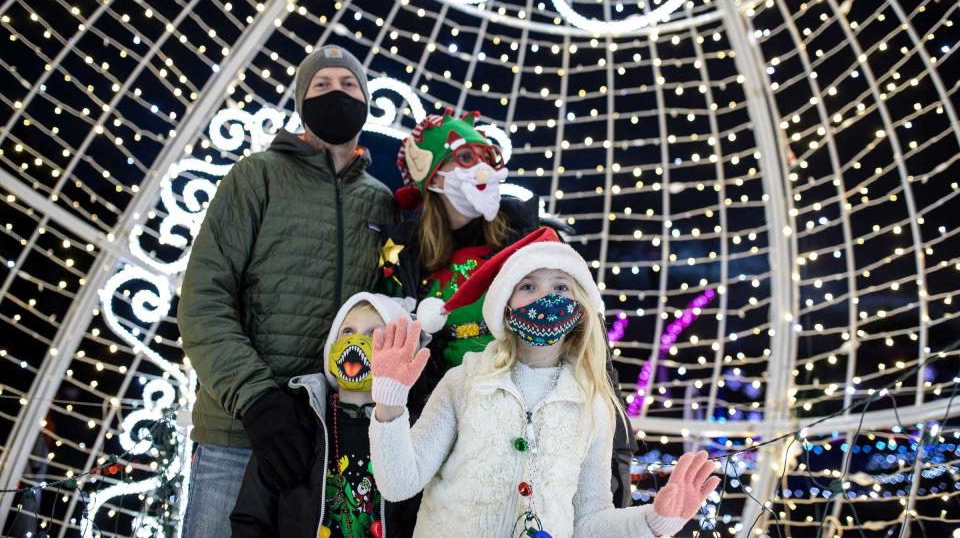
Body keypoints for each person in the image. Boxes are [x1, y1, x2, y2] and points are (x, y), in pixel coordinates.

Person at [367, 228, 720, 537]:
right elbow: (399, 483)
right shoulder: (462, 384)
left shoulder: (592, 405)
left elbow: (589, 522)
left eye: (561, 286)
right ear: (506, 305)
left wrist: (654, 521)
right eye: (528, 285)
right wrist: (390, 402)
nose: (544, 297)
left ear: (580, 307)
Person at [177, 45, 396, 538]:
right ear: (301, 102)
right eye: (321, 86)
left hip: (328, 435)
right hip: (237, 430)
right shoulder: (257, 176)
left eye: (348, 85)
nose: (335, 94)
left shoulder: (379, 201)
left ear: (365, 101)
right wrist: (257, 400)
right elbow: (203, 300)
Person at [230, 292, 425, 538]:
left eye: (373, 334)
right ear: (332, 347)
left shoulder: (415, 432)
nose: (355, 342)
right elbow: (252, 517)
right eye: (347, 331)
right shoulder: (299, 422)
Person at [381, 108, 538, 371]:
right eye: (465, 157)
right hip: (439, 398)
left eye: (486, 158)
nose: (482, 169)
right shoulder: (403, 252)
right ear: (432, 175)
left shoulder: (524, 235)